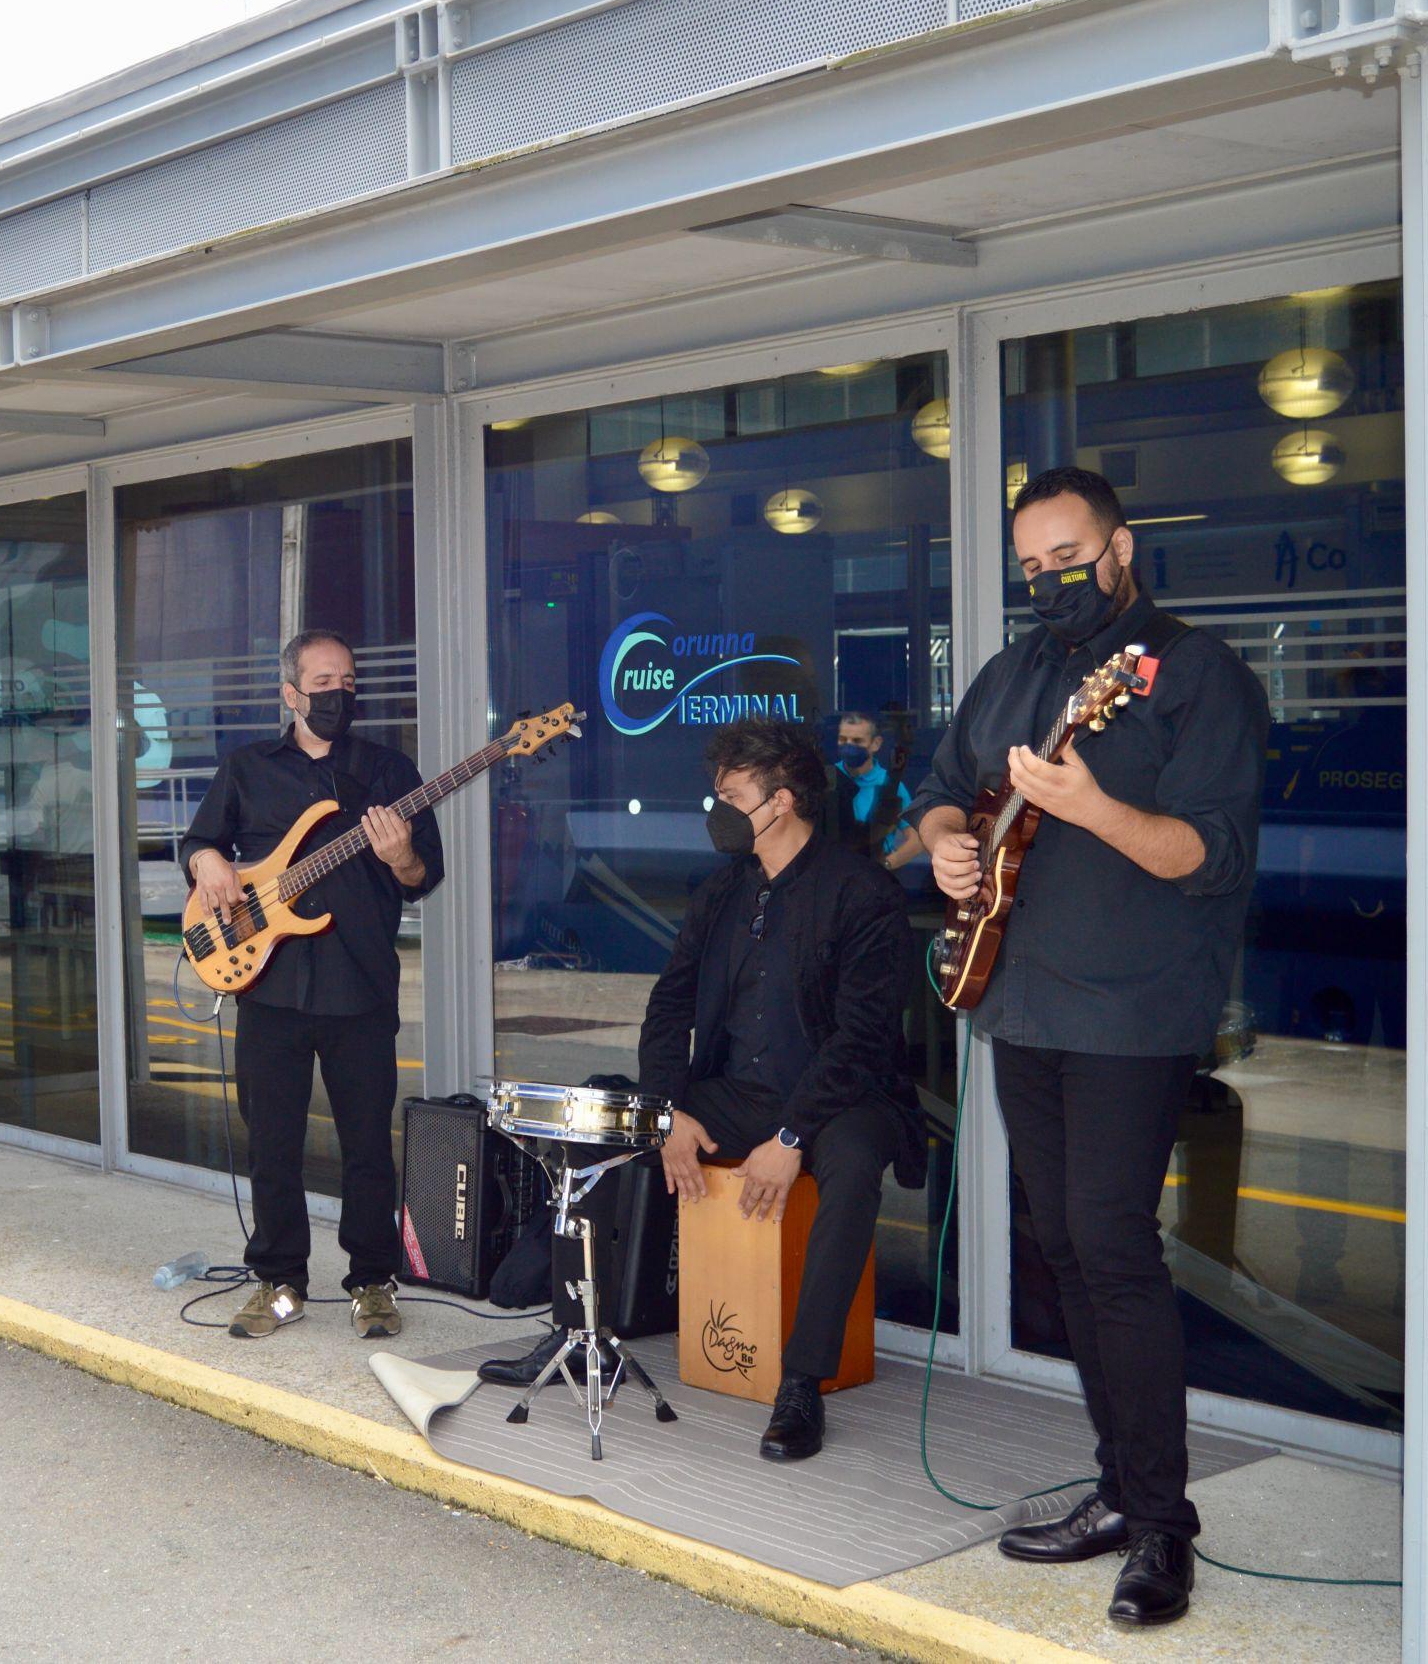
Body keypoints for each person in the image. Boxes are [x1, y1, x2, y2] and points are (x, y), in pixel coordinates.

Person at [911, 466, 1264, 1629]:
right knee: (1060, 1246)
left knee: (1112, 1248)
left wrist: (1089, 804)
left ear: (1122, 546)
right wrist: (950, 842)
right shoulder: (1013, 672)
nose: (1049, 578)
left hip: (1131, 1013)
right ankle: (1118, 1485)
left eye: (1067, 556)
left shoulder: (1195, 674)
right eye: (1030, 565)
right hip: (1019, 1001)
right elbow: (942, 788)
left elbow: (1208, 855)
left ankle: (1162, 1525)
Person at [476, 719, 923, 1461]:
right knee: (603, 1122)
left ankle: (801, 1384)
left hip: (843, 1100)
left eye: (732, 796)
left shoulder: (861, 891)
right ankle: (580, 1335)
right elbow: (669, 1007)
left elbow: (862, 1039)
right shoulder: (721, 892)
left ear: (782, 801)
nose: (717, 811)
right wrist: (668, 1111)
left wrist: (792, 1137)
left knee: (849, 1171)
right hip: (736, 1094)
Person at [181, 629, 445, 1342]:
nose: (339, 694)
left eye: (348, 681)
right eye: (324, 682)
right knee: (272, 1145)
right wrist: (207, 860)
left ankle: (372, 1283)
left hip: (360, 987)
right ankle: (278, 1282)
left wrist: (401, 856)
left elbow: (423, 877)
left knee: (367, 1147)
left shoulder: (389, 772)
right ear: (291, 694)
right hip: (269, 988)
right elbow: (198, 841)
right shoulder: (246, 768)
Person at [829, 710, 925, 871]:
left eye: (857, 741)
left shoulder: (889, 784)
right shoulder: (828, 778)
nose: (848, 745)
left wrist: (884, 866)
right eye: (843, 739)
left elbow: (916, 840)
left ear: (876, 743)